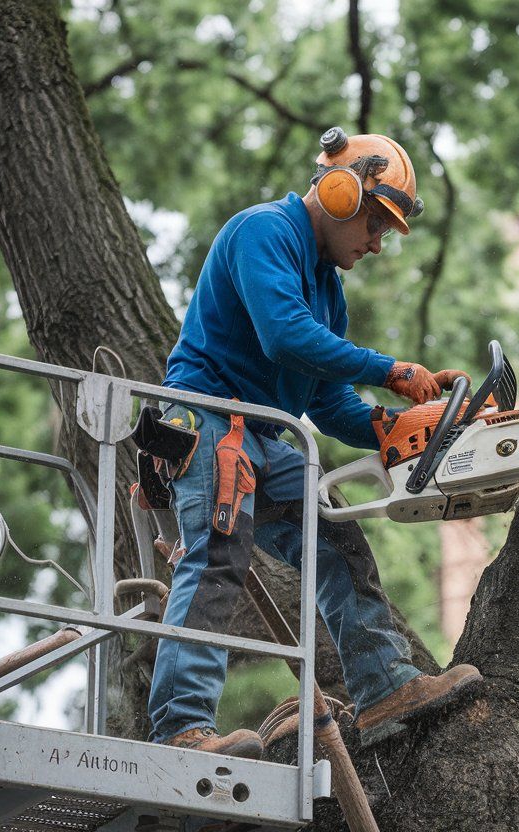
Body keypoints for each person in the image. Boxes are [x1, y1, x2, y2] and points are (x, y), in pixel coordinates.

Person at [146, 127, 481, 759]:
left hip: (270, 437)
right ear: (338, 192)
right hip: (211, 418)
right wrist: (391, 370)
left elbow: (327, 402)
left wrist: (391, 427)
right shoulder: (263, 232)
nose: (378, 244)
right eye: (375, 225)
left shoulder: (328, 292)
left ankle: (385, 684)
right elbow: (283, 337)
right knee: (220, 554)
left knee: (340, 545)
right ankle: (182, 730)